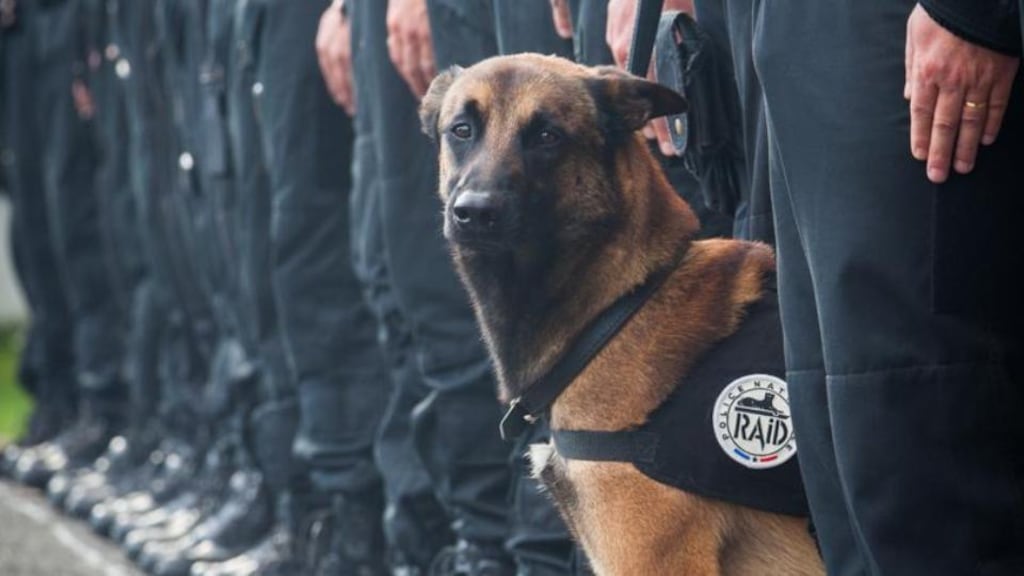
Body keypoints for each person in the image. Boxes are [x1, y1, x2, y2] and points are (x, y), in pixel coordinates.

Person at [751, 1, 1023, 574]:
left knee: (922, 446)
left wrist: (973, 11)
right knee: (845, 462)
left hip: (897, 29)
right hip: (797, 34)